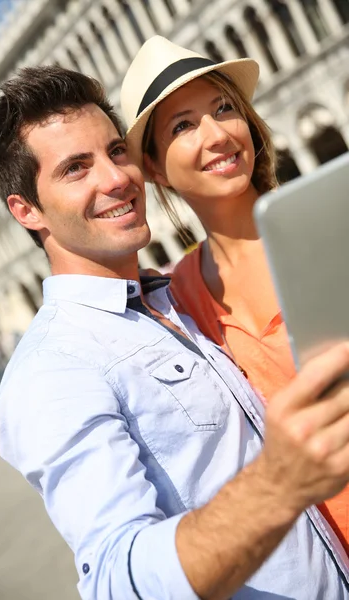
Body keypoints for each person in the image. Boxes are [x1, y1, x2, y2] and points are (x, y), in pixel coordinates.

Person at [0, 65, 349, 600]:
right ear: (26, 210)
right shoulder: (53, 369)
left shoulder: (170, 299)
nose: (113, 179)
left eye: (115, 151)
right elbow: (115, 581)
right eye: (76, 169)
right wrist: (280, 482)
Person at [121, 35, 349, 555]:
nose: (217, 133)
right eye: (183, 125)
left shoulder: (335, 220)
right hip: (323, 562)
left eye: (225, 108)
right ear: (154, 167)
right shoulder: (175, 300)